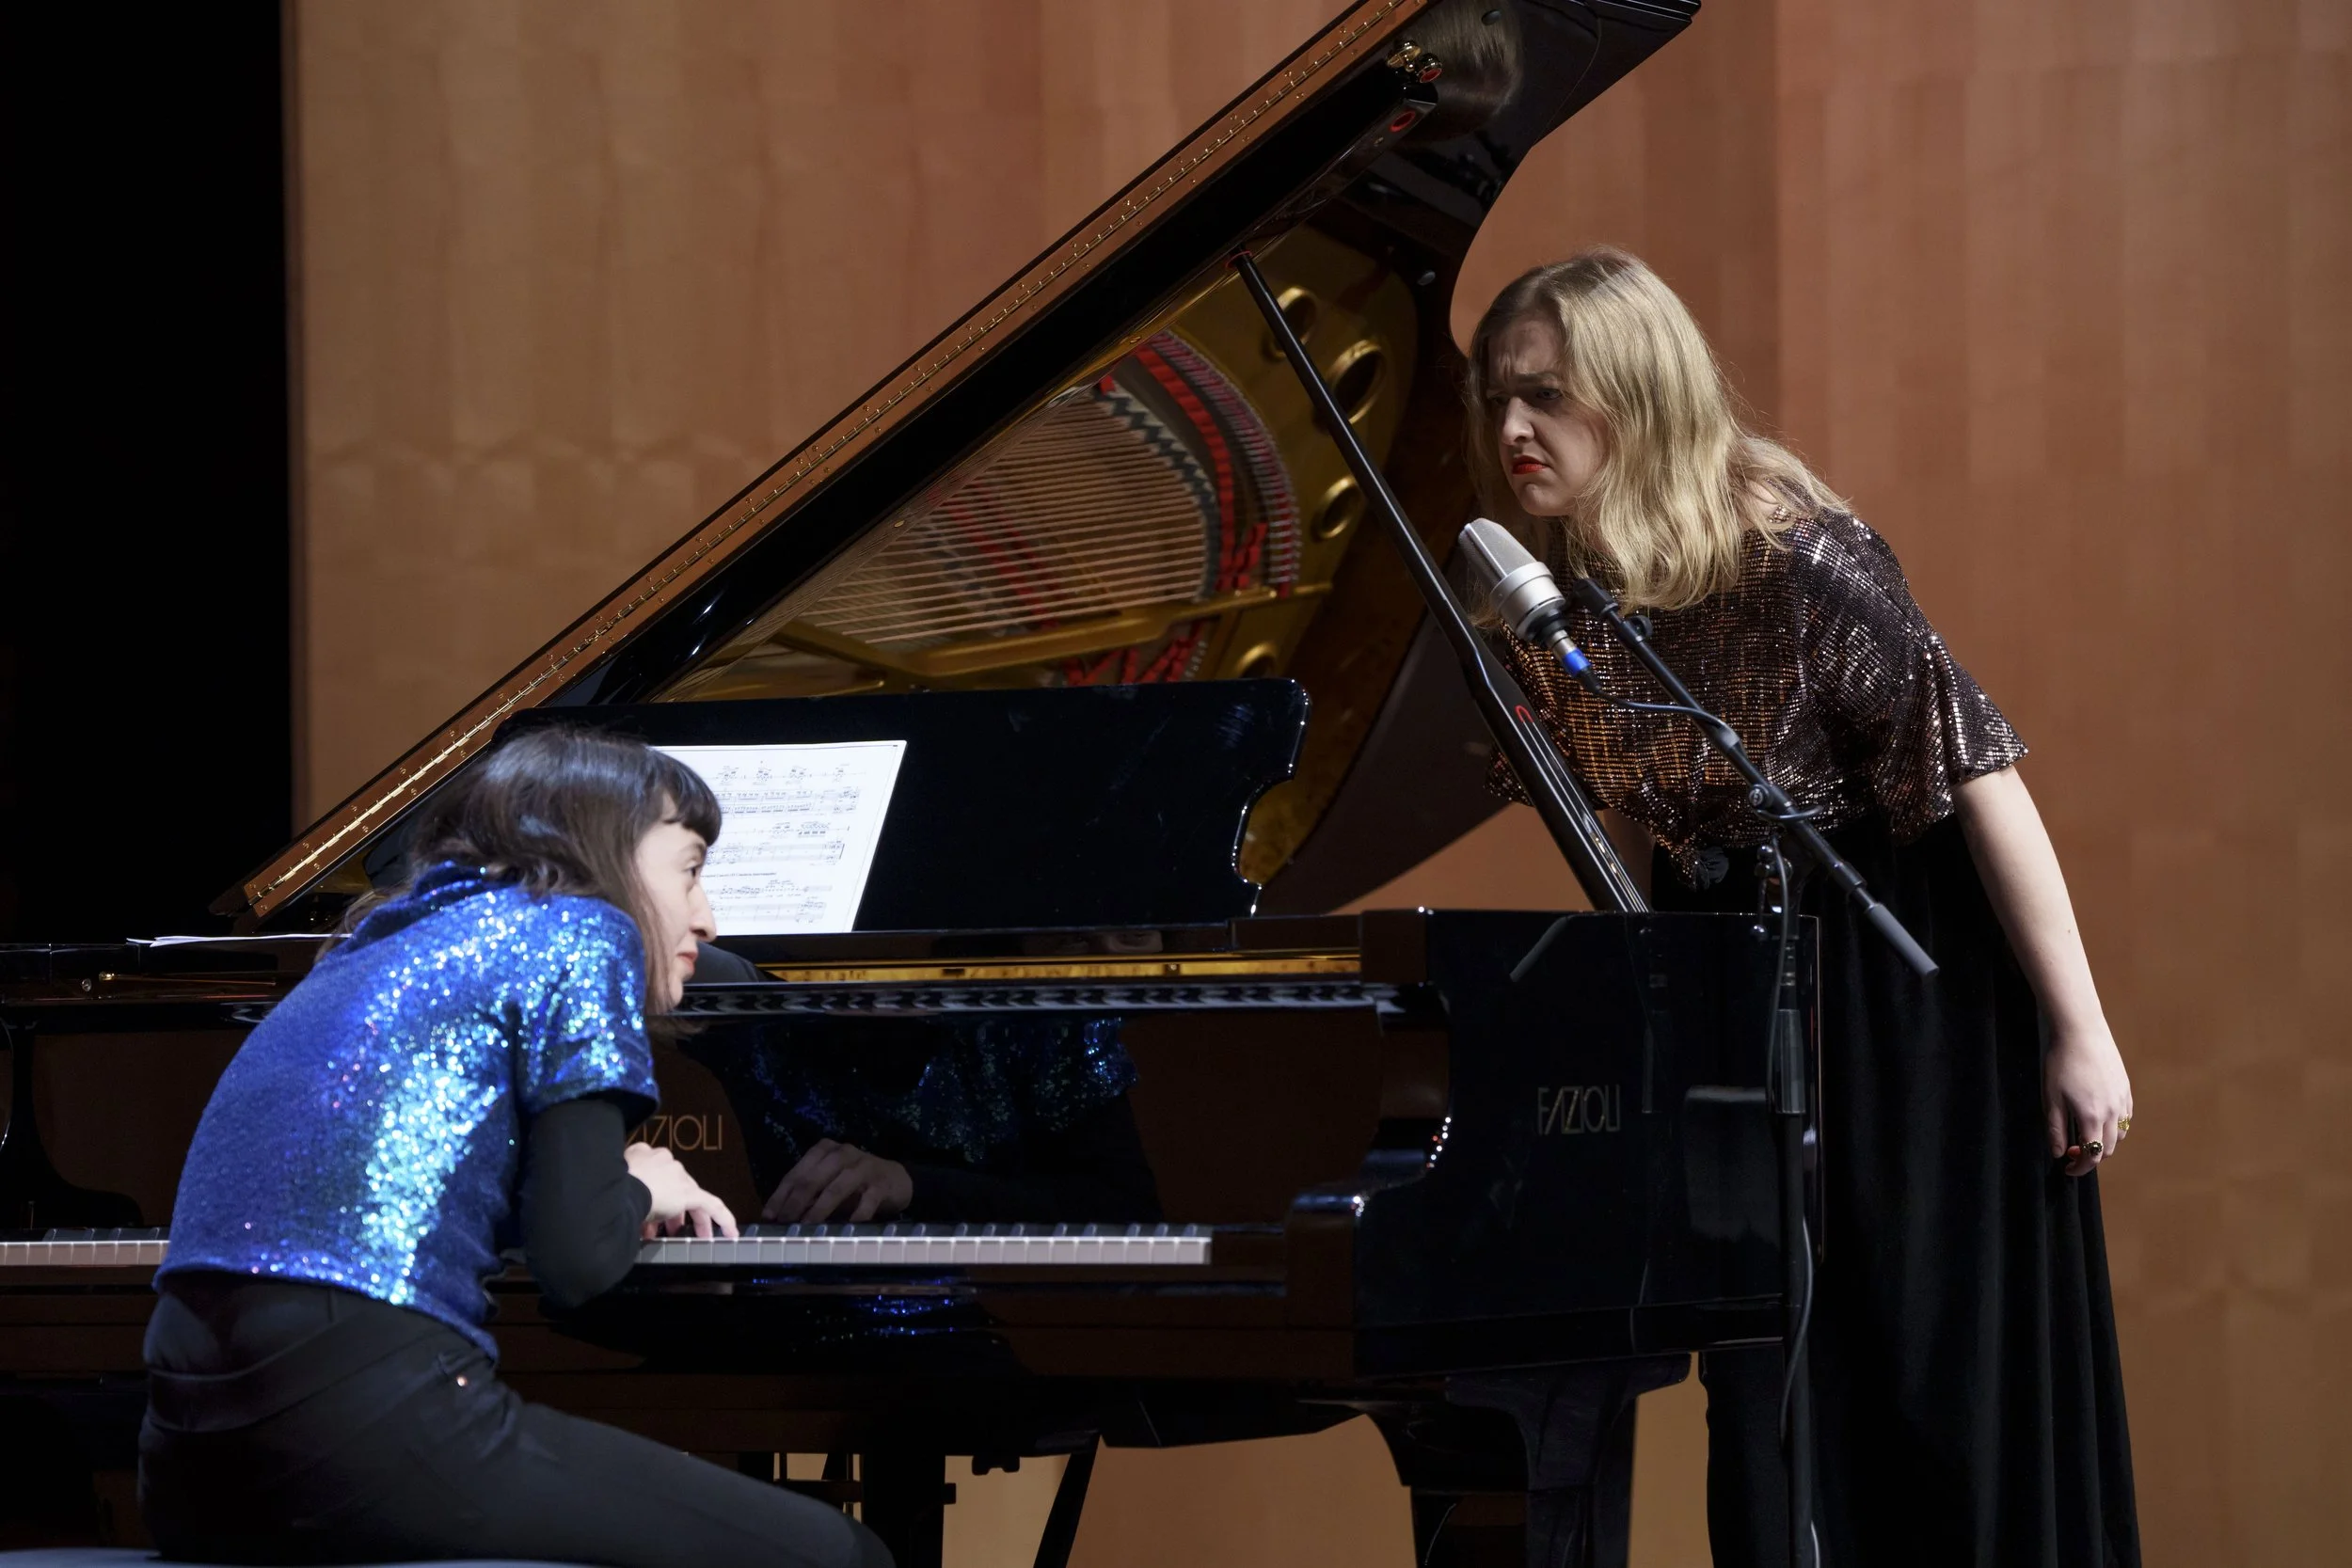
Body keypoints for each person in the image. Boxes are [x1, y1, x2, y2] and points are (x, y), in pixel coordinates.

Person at [1464, 249, 2138, 1567]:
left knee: (1920, 1364)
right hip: (1727, 976)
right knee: (1763, 1380)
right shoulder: (1548, 592)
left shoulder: (1788, 547)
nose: (1510, 432)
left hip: (1897, 985)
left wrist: (2082, 1028)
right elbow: (1618, 806)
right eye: (1498, 397)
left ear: (1636, 390)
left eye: (1544, 395)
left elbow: (1979, 767)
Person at [141, 726, 890, 1568]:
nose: (709, 917)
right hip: (362, 1426)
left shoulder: (370, 942)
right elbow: (577, 1265)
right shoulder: (582, 932)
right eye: (689, 867)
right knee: (843, 1554)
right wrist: (638, 1181)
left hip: (184, 1458)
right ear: (607, 851)